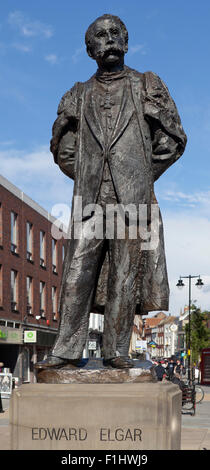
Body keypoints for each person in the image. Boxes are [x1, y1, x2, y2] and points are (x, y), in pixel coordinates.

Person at [36, 14, 186, 370]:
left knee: (125, 274)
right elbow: (64, 150)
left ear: (126, 41)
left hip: (131, 199)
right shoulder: (77, 94)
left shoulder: (146, 84)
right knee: (76, 272)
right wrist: (92, 173)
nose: (109, 40)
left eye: (115, 33)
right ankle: (67, 349)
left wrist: (137, 176)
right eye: (101, 36)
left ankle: (115, 351)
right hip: (90, 200)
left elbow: (172, 140)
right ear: (91, 49)